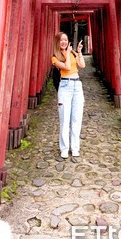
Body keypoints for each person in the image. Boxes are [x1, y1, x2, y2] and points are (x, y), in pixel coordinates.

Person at [52, 32, 85, 160]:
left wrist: (79, 51)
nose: (64, 42)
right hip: (65, 87)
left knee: (77, 119)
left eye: (65, 40)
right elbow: (66, 67)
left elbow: (82, 65)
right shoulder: (55, 57)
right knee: (65, 120)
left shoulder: (72, 53)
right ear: (57, 42)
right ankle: (64, 149)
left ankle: (75, 148)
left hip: (77, 86)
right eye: (61, 40)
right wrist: (68, 54)